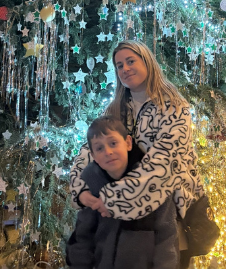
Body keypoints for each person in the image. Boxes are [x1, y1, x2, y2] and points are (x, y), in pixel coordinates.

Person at [69, 40, 206, 269]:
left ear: (147, 62)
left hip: (170, 210)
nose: (125, 69)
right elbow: (90, 148)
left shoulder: (174, 107)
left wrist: (112, 198)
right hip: (123, 216)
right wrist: (80, 189)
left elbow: (164, 162)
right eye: (119, 65)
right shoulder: (116, 109)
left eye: (130, 61)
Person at [65, 116, 179, 269]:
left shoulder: (151, 184)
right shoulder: (93, 186)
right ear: (93, 156)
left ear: (128, 143)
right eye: (99, 148)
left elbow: (166, 238)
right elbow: (83, 238)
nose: (108, 152)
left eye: (113, 143)